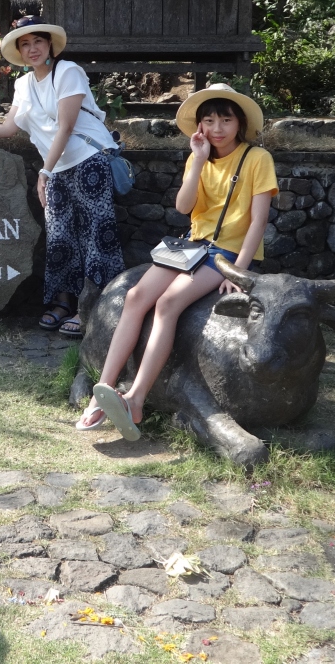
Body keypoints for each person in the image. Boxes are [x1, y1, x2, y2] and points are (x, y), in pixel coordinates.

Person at [80, 84, 277, 439]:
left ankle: (136, 398)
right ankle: (103, 392)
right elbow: (184, 208)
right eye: (209, 120)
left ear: (240, 122)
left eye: (226, 120)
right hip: (190, 244)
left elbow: (258, 221)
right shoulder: (198, 156)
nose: (217, 128)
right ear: (199, 125)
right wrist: (199, 160)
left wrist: (240, 271)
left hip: (225, 253)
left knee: (168, 304)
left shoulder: (257, 159)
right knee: (135, 298)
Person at [0, 16, 124, 336]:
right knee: (59, 240)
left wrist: (43, 172)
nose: (32, 49)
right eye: (25, 44)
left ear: (50, 44)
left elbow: (66, 127)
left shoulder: (68, 72)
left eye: (38, 41)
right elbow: (8, 127)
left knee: (96, 237)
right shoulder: (23, 84)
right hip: (54, 169)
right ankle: (63, 303)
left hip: (88, 162)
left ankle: (96, 308)